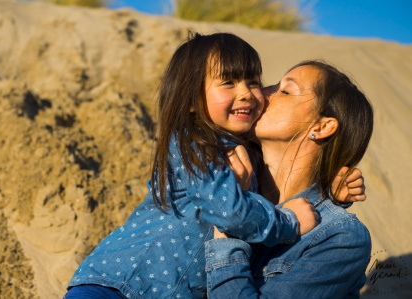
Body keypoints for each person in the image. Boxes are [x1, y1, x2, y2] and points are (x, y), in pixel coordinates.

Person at [64, 31, 317, 299]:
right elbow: (231, 212)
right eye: (228, 82)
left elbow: (283, 179)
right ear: (192, 99)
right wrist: (288, 222)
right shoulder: (192, 143)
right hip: (119, 286)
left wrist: (331, 186)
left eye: (253, 82)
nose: (246, 93)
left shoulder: (243, 151)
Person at [205, 60, 374, 298]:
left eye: (285, 91)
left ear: (322, 126)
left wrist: (230, 228)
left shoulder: (339, 236)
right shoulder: (216, 178)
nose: (261, 94)